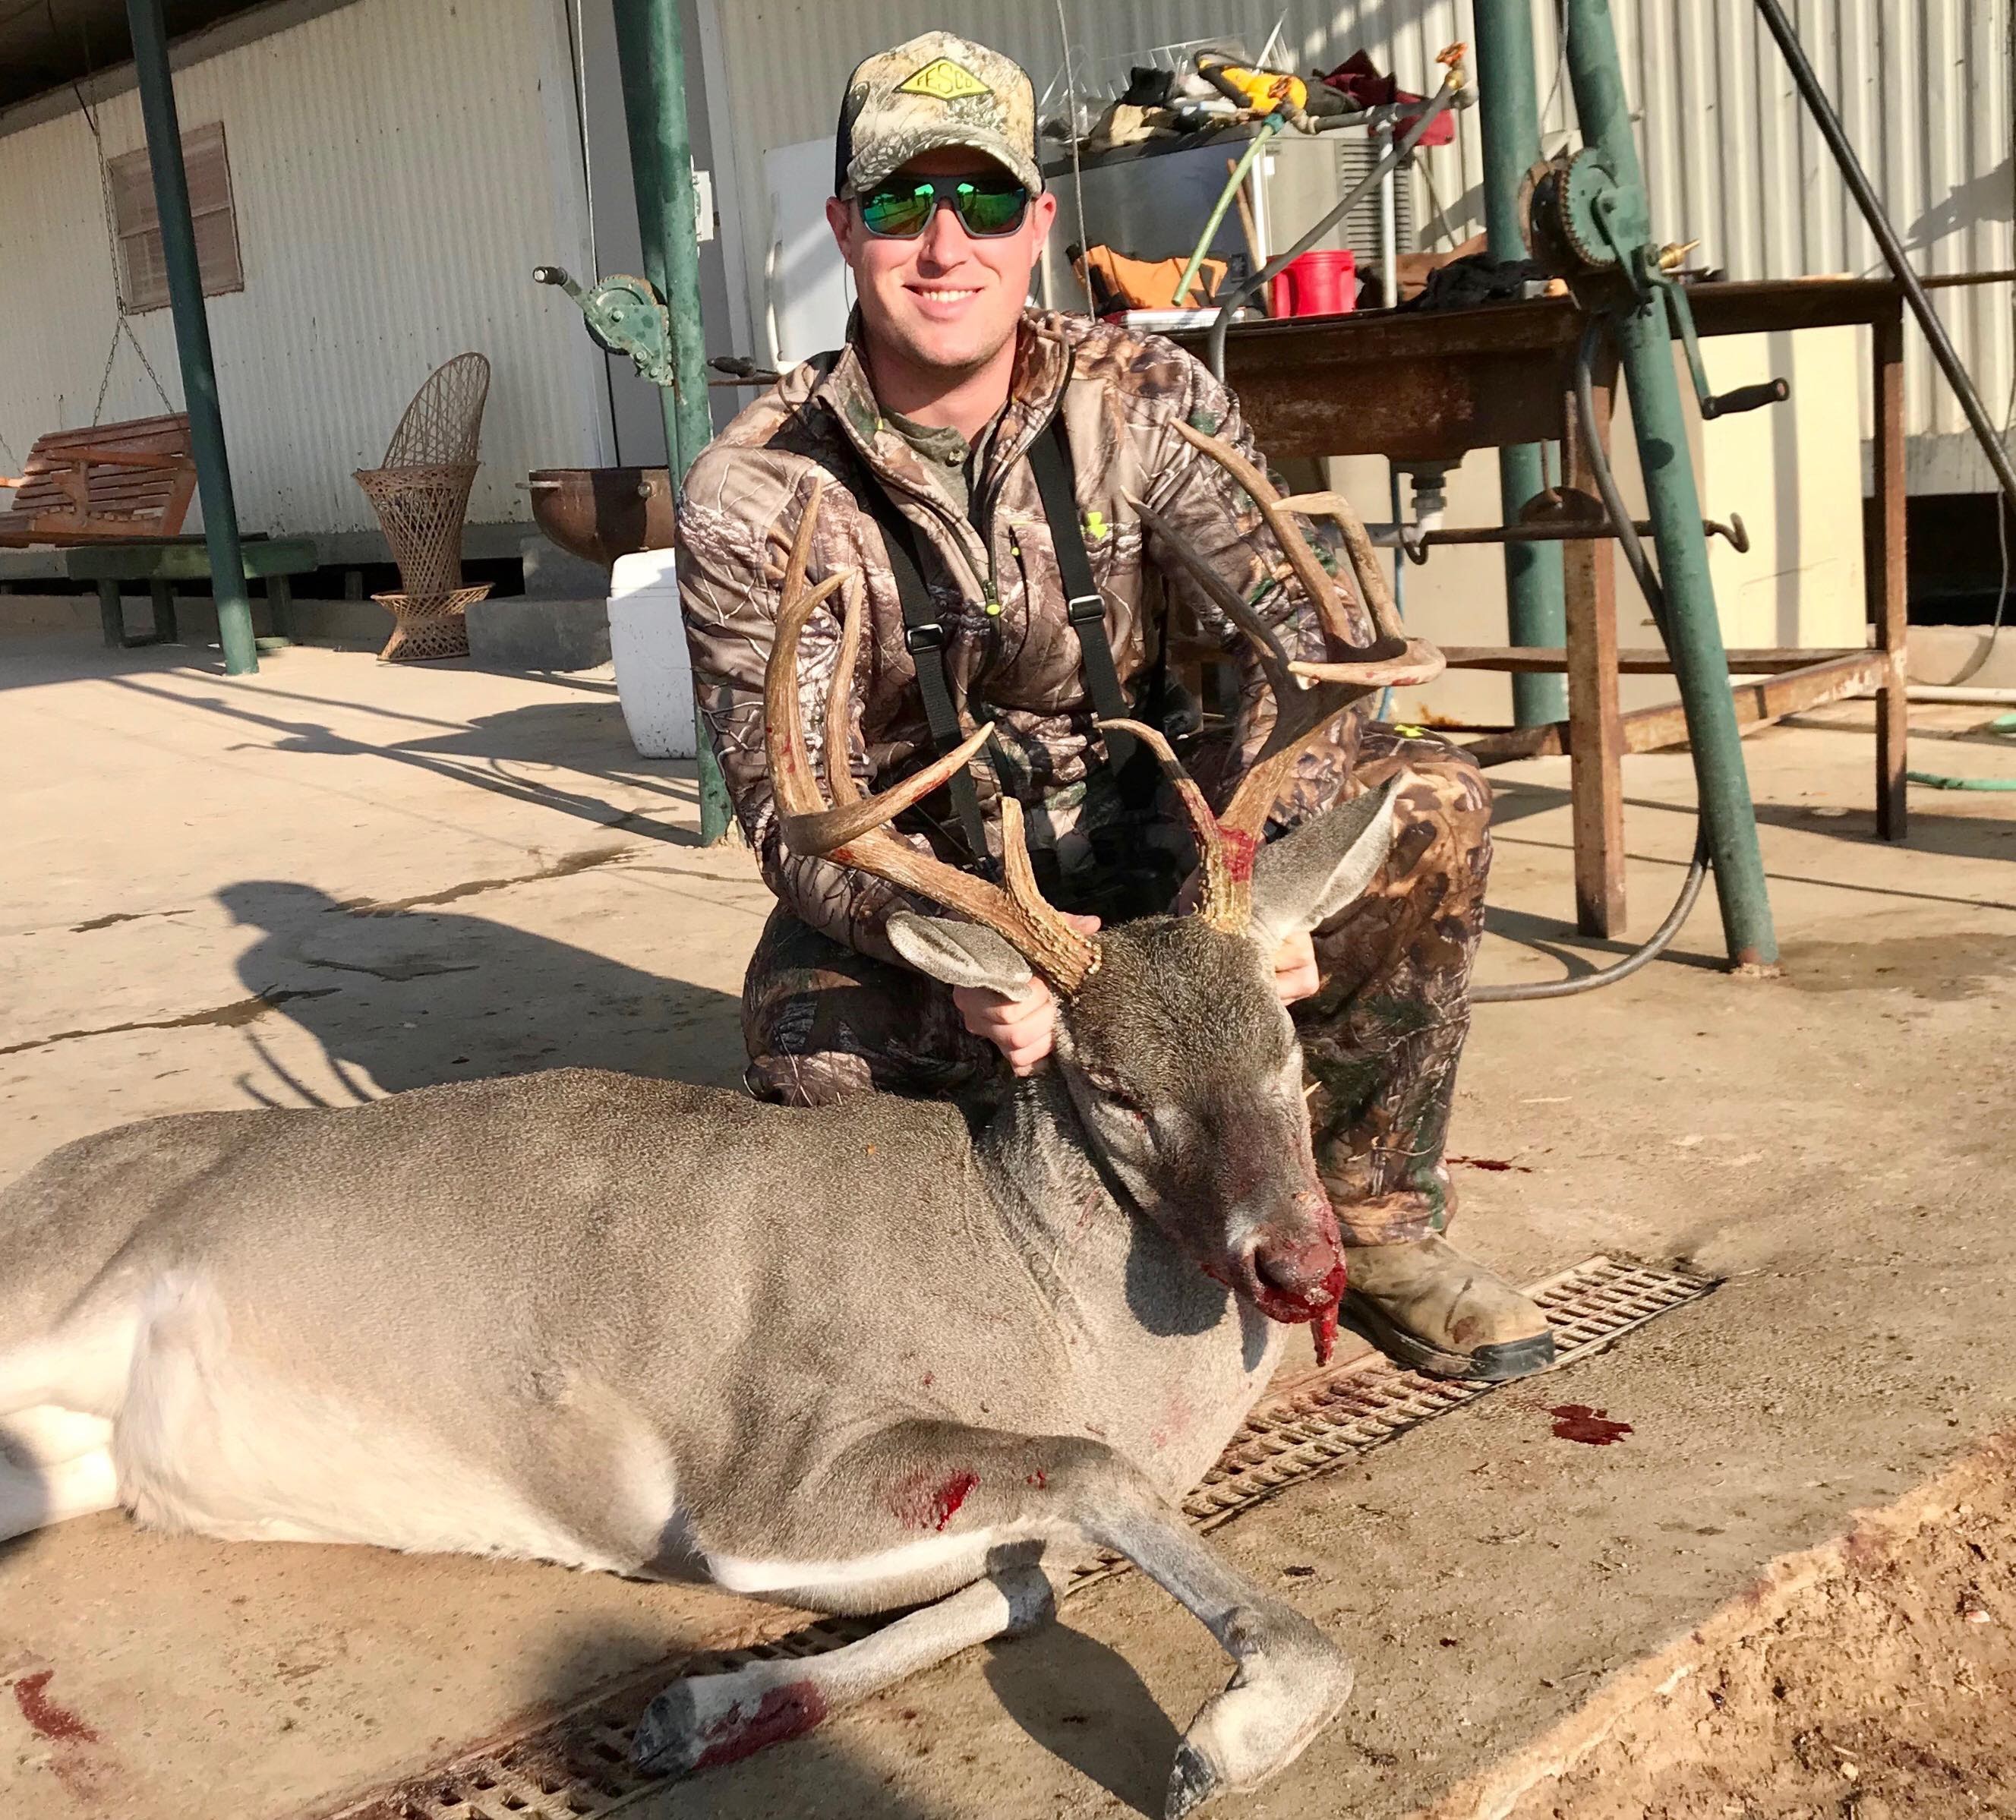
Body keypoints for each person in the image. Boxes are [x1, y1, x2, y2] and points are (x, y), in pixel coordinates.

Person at [677, 31, 1553, 1382]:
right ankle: (993, 1277)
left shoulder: (1144, 399)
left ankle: (1370, 1217)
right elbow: (794, 814)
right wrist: (961, 954)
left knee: (1425, 802)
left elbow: (1305, 652)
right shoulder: (754, 492)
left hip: (1173, 851)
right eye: (904, 203)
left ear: (1039, 223)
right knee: (808, 1048)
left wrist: (1258, 896)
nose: (944, 245)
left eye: (981, 200)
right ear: (846, 228)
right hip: (968, 906)